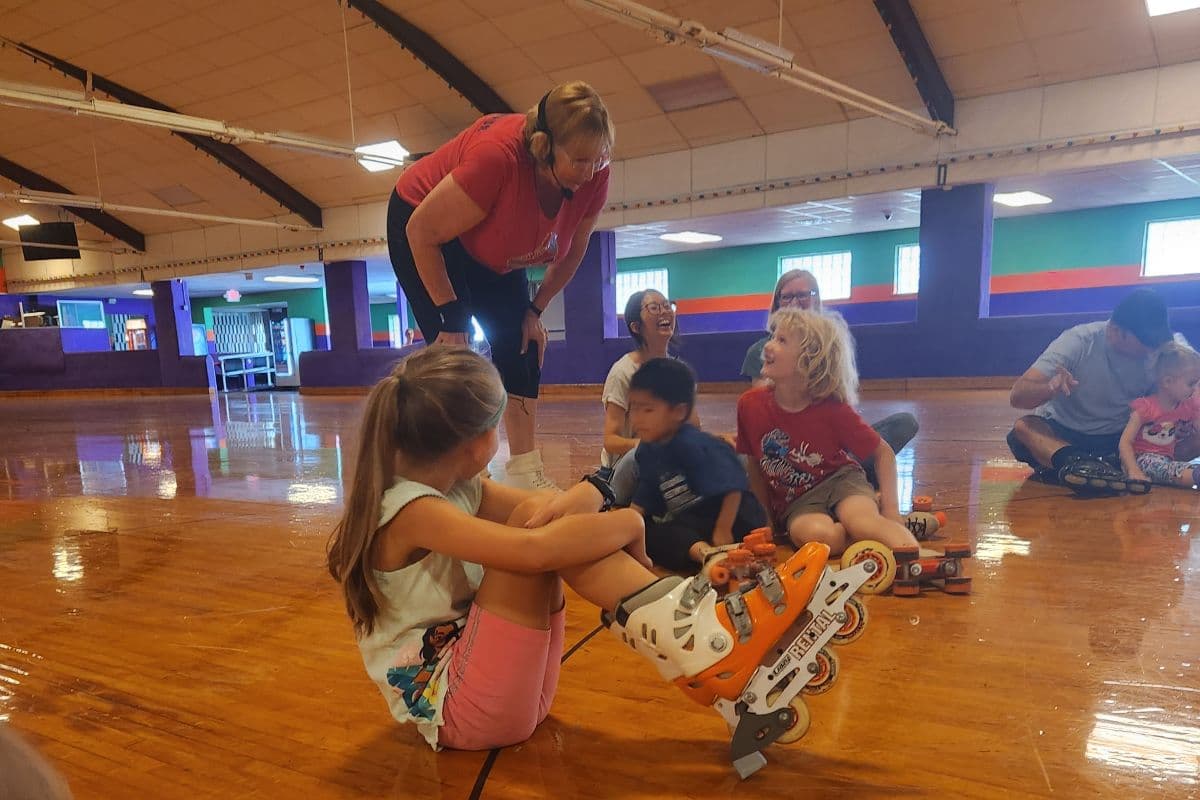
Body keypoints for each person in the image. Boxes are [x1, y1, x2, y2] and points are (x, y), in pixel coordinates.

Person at [325, 346, 869, 776]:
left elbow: (550, 512)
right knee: (539, 541)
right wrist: (629, 520)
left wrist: (592, 494)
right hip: (461, 711)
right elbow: (535, 548)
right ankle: (703, 639)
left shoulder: (463, 484)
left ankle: (703, 636)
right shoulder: (410, 510)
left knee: (551, 526)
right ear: (477, 440)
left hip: (510, 687)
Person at [387, 81, 615, 489]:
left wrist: (535, 310)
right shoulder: (497, 159)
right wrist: (451, 315)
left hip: (494, 246)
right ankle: (454, 475)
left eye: (597, 160)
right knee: (452, 358)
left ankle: (525, 474)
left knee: (524, 346)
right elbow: (420, 231)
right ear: (545, 147)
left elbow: (574, 249)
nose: (590, 171)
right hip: (424, 229)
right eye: (580, 160)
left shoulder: (594, 175)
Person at [737, 308, 917, 555]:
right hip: (797, 502)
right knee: (820, 538)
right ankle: (852, 534)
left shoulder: (831, 408)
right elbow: (755, 465)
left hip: (841, 480)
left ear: (808, 360)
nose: (768, 346)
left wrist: (892, 512)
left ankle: (912, 556)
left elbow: (883, 453)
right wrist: (766, 520)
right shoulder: (749, 405)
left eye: (781, 340)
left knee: (864, 523)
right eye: (773, 337)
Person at [741, 269, 918, 482]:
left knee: (903, 423)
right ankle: (843, 480)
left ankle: (842, 475)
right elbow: (764, 415)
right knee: (741, 461)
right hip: (787, 451)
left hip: (830, 442)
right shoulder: (765, 350)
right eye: (787, 296)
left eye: (803, 294)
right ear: (778, 302)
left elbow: (841, 402)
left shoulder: (830, 347)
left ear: (816, 298)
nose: (795, 302)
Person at [1007, 288, 1187, 494]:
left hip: (1124, 438)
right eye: (1145, 341)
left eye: (1155, 340)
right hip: (1066, 434)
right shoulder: (1079, 341)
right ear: (1116, 331)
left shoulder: (1166, 348)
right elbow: (1018, 396)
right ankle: (1080, 464)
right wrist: (1049, 387)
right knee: (1024, 427)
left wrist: (1184, 415)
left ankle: (1091, 468)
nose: (1150, 348)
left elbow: (1193, 379)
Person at [626, 358, 766, 573]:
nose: (637, 419)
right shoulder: (647, 449)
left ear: (679, 412)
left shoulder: (695, 444)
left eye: (648, 411)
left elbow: (734, 484)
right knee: (648, 533)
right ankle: (707, 555)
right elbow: (647, 492)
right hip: (693, 521)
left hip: (731, 515)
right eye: (634, 409)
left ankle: (718, 551)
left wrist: (723, 529)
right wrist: (626, 524)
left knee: (737, 520)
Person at [599, 289, 686, 503]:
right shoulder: (623, 372)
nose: (664, 312)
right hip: (626, 468)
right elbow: (611, 441)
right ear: (636, 327)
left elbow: (692, 428)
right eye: (654, 308)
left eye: (667, 305)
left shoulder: (679, 371)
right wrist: (649, 446)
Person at [1118, 342, 1200, 489]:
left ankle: (1193, 475)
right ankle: (1195, 476)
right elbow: (1125, 443)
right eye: (1191, 384)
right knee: (1167, 468)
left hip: (1168, 460)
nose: (1195, 389)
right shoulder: (1145, 407)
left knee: (1173, 467)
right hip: (1140, 460)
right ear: (1168, 381)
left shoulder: (1187, 406)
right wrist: (1133, 470)